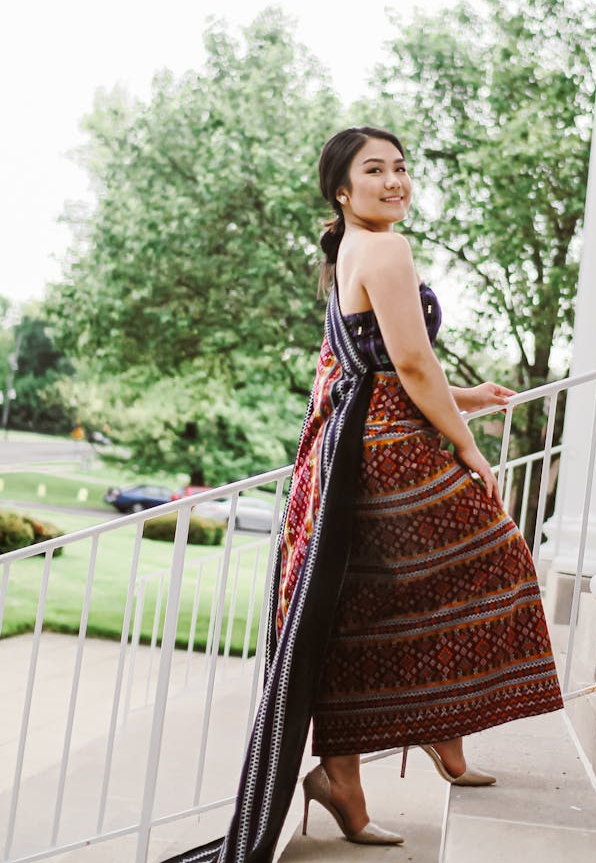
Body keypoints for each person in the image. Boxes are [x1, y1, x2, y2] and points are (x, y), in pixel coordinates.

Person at [168, 125, 562, 863]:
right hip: (383, 451)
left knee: (369, 601)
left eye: (402, 167)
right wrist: (468, 446)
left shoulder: (358, 246)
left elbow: (378, 362)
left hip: (356, 446)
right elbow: (409, 363)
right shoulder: (384, 248)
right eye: (374, 170)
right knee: (495, 559)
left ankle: (362, 764)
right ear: (342, 190)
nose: (394, 180)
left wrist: (466, 396)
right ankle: (404, 740)